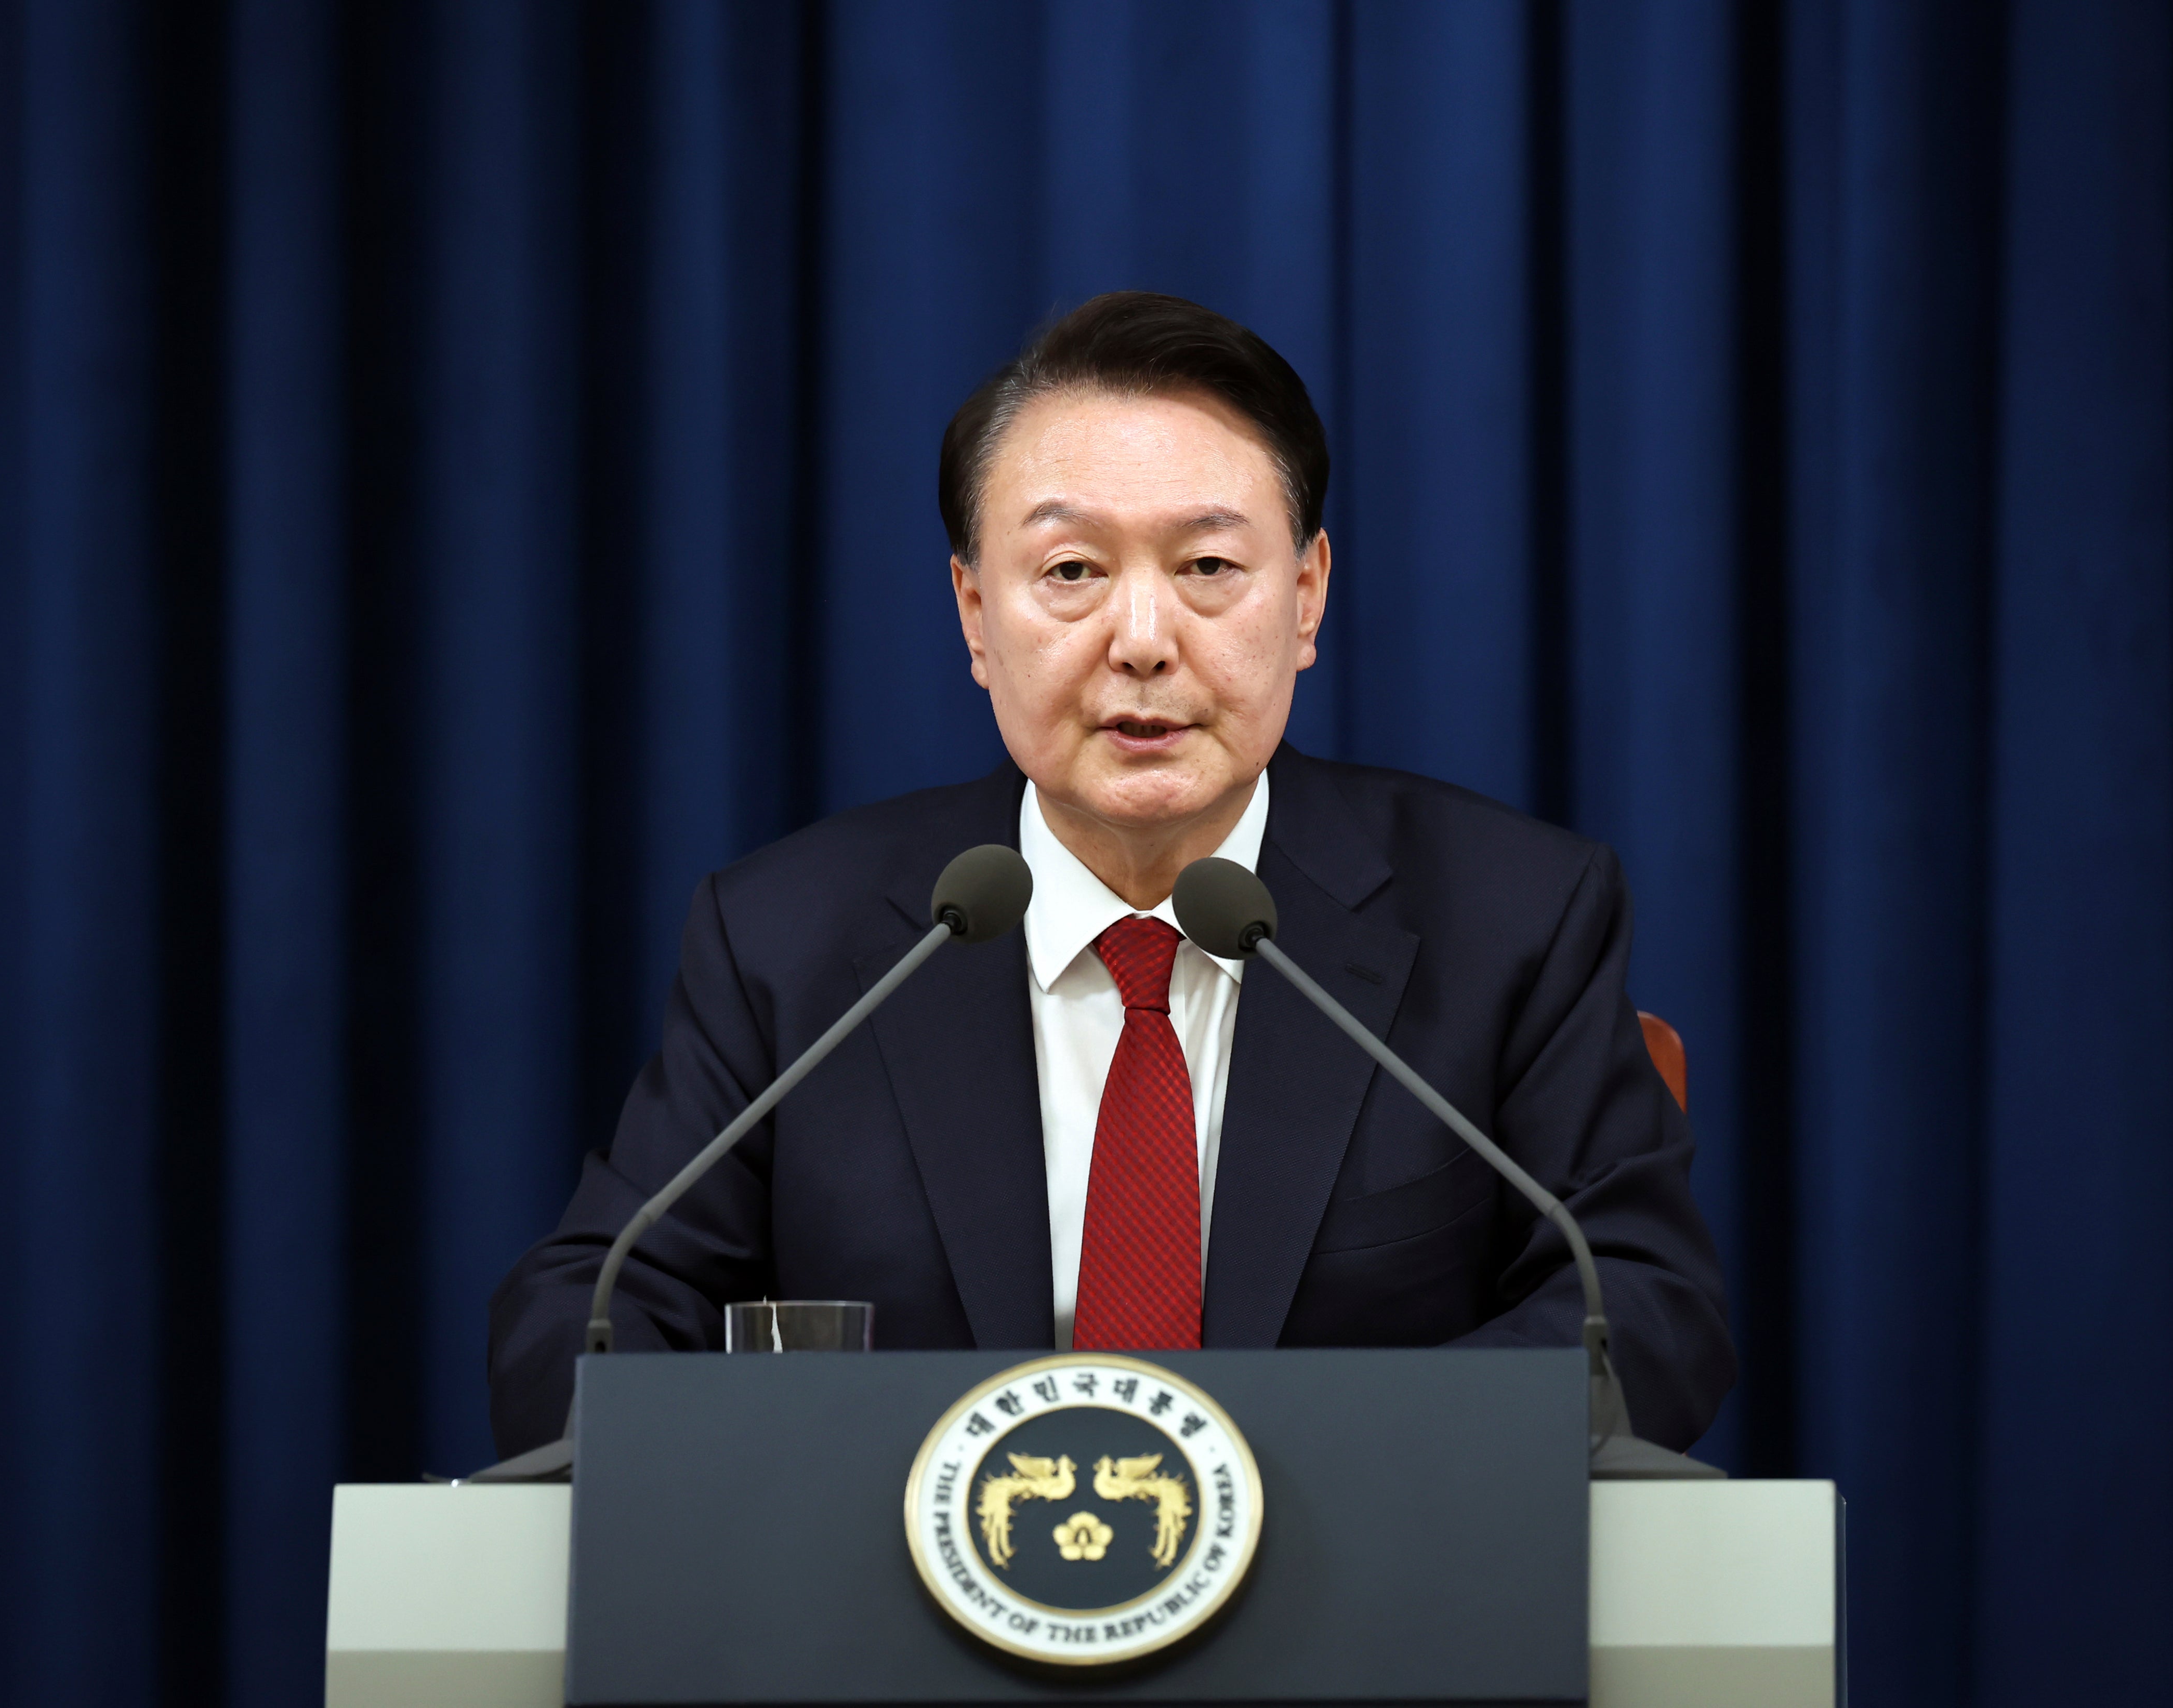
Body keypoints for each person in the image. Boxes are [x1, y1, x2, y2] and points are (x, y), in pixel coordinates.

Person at [487, 292, 1735, 1455]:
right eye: (1072, 572)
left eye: (1208, 569)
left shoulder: (1510, 916)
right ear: (977, 615)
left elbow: (1641, 1310)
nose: (1143, 642)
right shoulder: (788, 940)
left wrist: (1278, 1496)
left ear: (1305, 598)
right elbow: (586, 1317)